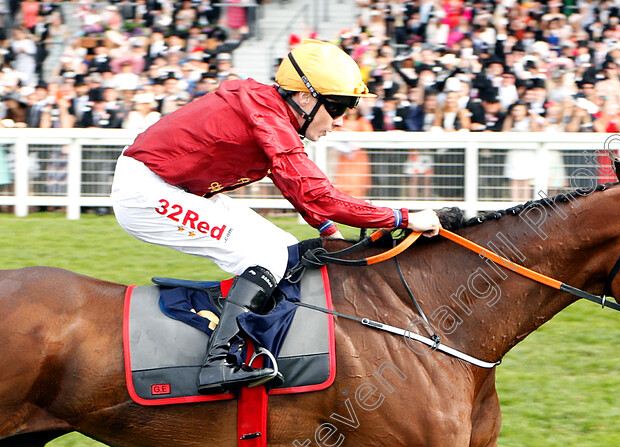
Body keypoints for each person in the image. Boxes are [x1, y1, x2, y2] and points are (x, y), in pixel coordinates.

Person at [110, 39, 441, 394]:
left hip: (173, 188)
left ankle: (259, 337)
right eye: (339, 107)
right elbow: (319, 195)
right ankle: (217, 363)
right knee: (264, 257)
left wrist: (326, 229)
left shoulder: (271, 112)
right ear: (305, 98)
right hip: (146, 194)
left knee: (285, 248)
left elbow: (291, 182)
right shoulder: (267, 116)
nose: (341, 122)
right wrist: (402, 218)